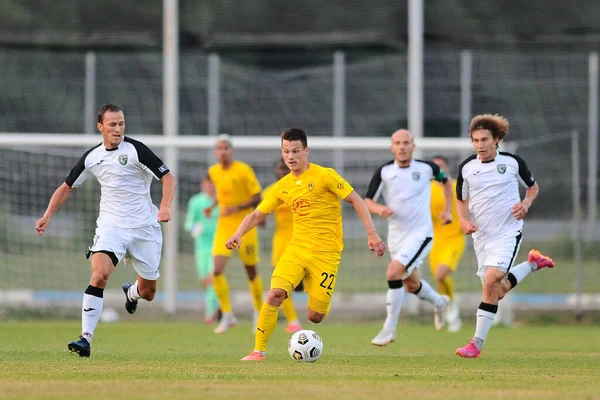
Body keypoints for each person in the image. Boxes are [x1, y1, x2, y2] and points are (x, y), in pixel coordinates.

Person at [225, 127, 387, 361]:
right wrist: (238, 233)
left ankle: (311, 296)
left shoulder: (325, 175)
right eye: (286, 151)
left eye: (295, 151)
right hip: (297, 249)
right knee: (275, 294)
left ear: (306, 151)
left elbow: (356, 200)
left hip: (327, 253)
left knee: (315, 316)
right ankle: (257, 351)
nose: (290, 156)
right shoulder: (283, 185)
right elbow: (257, 215)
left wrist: (372, 234)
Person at [35, 104, 176, 357]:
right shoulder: (92, 157)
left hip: (145, 228)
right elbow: (66, 187)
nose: (118, 129)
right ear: (100, 127)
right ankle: (85, 339)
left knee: (149, 292)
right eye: (112, 124)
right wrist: (47, 215)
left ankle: (131, 292)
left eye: (121, 123)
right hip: (111, 226)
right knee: (99, 274)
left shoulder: (136, 150)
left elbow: (168, 178)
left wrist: (164, 206)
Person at [455, 114, 554, 358]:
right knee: (495, 291)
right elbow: (460, 199)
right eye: (476, 140)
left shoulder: (512, 163)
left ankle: (476, 343)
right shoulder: (467, 168)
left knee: (490, 282)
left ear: (497, 139)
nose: (480, 144)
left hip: (508, 232)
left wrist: (526, 203)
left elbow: (533, 188)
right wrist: (463, 220)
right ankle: (532, 263)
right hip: (482, 237)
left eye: (485, 139)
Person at [365, 129, 453, 347]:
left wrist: (448, 210)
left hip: (421, 233)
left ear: (413, 146)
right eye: (397, 143)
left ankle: (389, 329)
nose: (402, 147)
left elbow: (446, 181)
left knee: (393, 272)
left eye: (406, 143)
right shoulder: (384, 171)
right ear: (392, 147)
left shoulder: (427, 168)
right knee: (411, 284)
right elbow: (367, 200)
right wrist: (379, 210)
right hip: (396, 236)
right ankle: (440, 302)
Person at [204, 134, 263, 334]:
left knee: (251, 272)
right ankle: (228, 315)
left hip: (245, 226)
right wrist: (212, 206)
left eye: (226, 148)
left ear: (232, 150)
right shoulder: (213, 171)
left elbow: (258, 196)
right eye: (219, 148)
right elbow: (222, 194)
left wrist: (237, 208)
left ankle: (258, 312)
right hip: (224, 226)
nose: (222, 151)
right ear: (215, 152)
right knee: (217, 270)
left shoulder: (244, 170)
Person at [261, 158, 303, 334]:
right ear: (276, 171)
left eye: (285, 168)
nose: (283, 171)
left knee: (301, 285)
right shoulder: (271, 191)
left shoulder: (302, 188)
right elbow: (263, 217)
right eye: (280, 168)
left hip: (301, 239)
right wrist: (262, 219)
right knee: (280, 283)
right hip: (281, 241)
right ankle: (293, 321)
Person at [429, 155, 466, 332]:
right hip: (435, 240)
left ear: (447, 169)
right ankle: (447, 306)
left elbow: (470, 205)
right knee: (439, 278)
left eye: (441, 167)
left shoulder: (456, 186)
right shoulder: (426, 189)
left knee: (441, 273)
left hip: (454, 238)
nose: (438, 171)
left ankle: (452, 309)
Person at [185, 174, 220, 324]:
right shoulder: (196, 202)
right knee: (205, 280)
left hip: (218, 246)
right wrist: (195, 228)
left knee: (214, 279)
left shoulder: (220, 201)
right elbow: (188, 223)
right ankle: (217, 305)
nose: (209, 186)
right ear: (202, 185)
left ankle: (210, 314)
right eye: (207, 183)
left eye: (212, 183)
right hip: (201, 248)